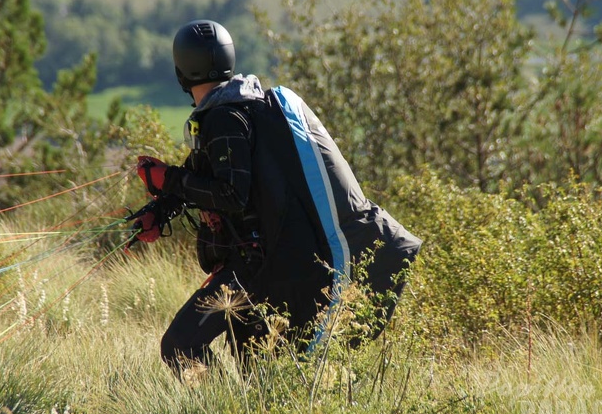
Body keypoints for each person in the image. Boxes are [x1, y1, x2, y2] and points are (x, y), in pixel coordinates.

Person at [130, 19, 421, 375]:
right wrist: (159, 213)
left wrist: (166, 177)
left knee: (180, 346)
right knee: (258, 378)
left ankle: (216, 412)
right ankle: (235, 412)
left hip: (253, 271)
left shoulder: (224, 119)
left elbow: (230, 194)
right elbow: (204, 178)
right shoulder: (239, 107)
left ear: (181, 72)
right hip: (267, 265)